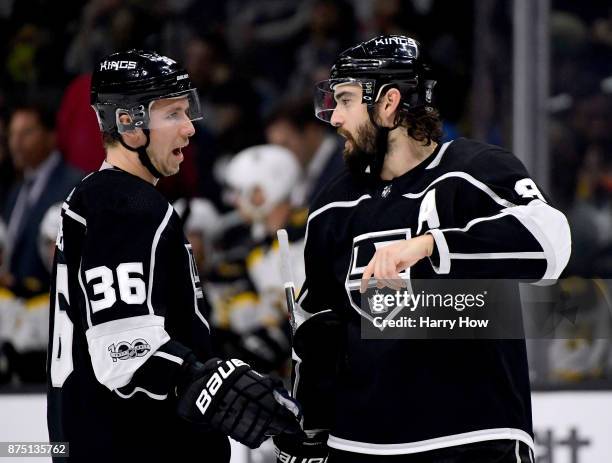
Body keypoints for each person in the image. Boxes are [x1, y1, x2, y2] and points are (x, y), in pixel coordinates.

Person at [274, 35, 572, 463]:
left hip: (474, 438)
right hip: (357, 444)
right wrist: (308, 430)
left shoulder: (475, 170)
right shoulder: (332, 203)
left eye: (345, 100)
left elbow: (551, 243)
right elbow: (320, 329)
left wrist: (430, 245)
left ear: (388, 102)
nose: (334, 117)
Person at [46, 50, 302, 462]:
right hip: (134, 448)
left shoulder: (100, 197)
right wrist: (202, 379)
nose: (189, 129)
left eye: (188, 112)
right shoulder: (122, 202)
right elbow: (122, 350)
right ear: (129, 123)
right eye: (173, 115)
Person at [1, 105, 82, 296]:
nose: (16, 142)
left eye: (26, 133)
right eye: (12, 134)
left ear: (51, 136)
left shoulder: (76, 185)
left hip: (54, 306)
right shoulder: (15, 190)